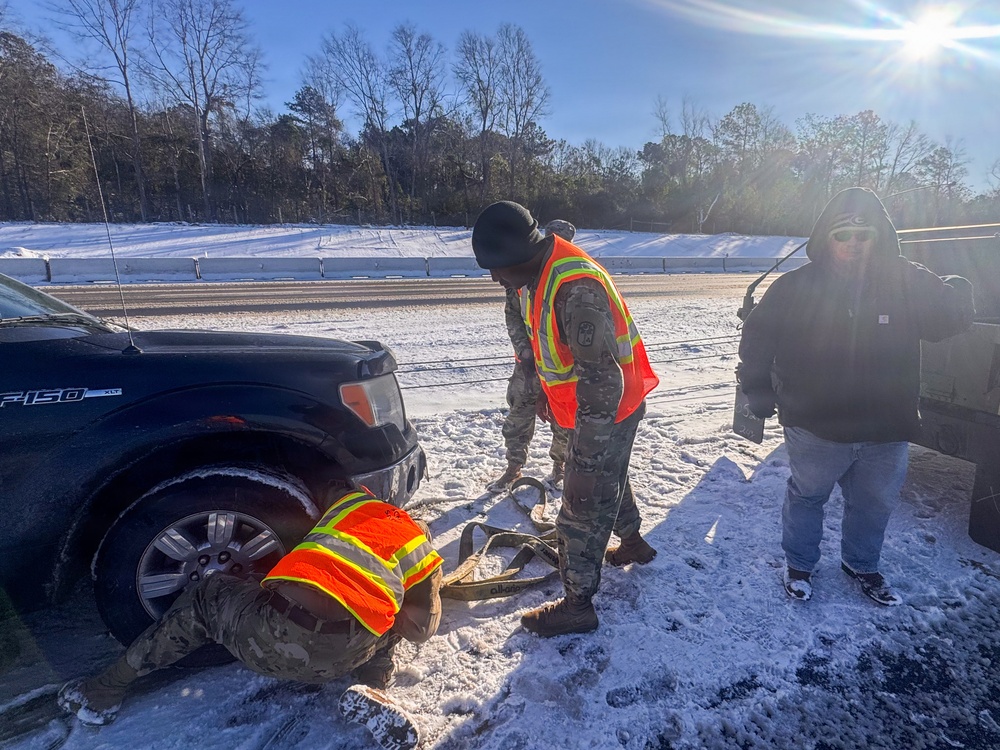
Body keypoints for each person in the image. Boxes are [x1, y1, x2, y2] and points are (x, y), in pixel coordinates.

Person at [57, 486, 444, 750]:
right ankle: (372, 685)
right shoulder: (420, 549)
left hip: (265, 638)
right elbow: (422, 630)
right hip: (343, 658)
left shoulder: (350, 506)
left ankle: (103, 692)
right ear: (416, 527)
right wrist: (422, 590)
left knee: (208, 594)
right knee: (391, 620)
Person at [737, 187, 974, 606]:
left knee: (874, 504)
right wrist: (757, 390)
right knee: (808, 497)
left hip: (886, 426)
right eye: (841, 235)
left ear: (879, 237)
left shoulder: (906, 279)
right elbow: (757, 339)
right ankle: (800, 564)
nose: (852, 244)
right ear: (825, 238)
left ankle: (862, 564)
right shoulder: (795, 287)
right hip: (815, 426)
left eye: (862, 235)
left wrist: (958, 293)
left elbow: (945, 323)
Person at [471, 201, 660, 637]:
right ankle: (632, 542)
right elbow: (550, 346)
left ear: (519, 255)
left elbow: (603, 382)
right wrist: (548, 396)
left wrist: (584, 465)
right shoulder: (538, 272)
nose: (495, 278)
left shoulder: (574, 287)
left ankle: (578, 606)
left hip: (607, 409)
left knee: (581, 506)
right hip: (587, 407)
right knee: (611, 477)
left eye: (497, 268)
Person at [487, 219, 576, 493]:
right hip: (528, 364)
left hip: (561, 367)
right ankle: (514, 468)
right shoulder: (521, 273)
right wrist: (525, 352)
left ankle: (560, 468)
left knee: (563, 420)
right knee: (518, 416)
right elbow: (512, 314)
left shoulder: (568, 276)